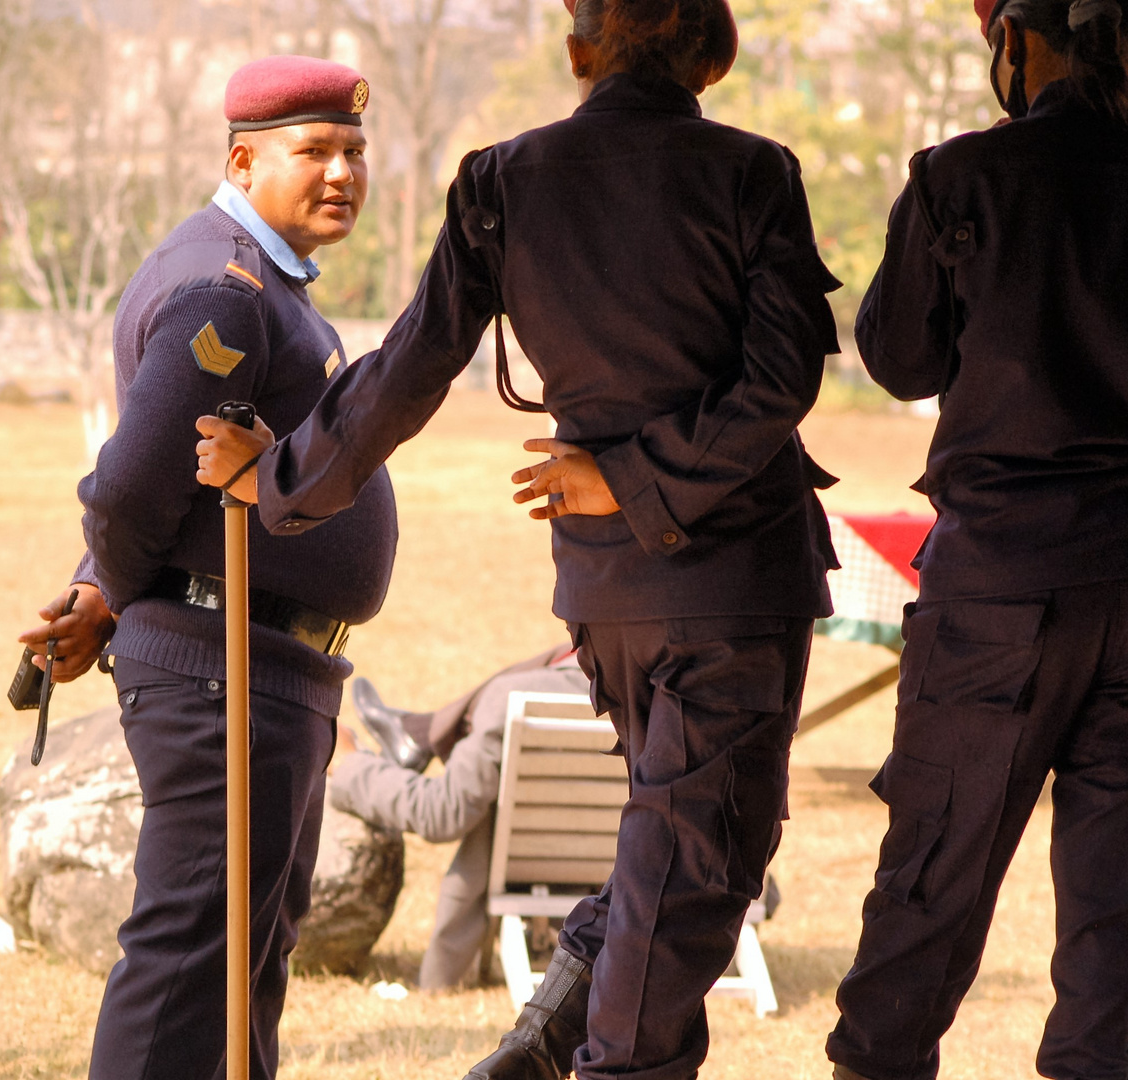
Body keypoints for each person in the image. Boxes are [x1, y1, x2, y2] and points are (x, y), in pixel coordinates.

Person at [196, 2, 844, 1077]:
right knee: (700, 861)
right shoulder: (752, 171)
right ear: (709, 54)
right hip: (733, 579)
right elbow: (780, 378)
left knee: (676, 844)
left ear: (579, 48)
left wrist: (281, 483)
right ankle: (591, 1062)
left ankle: (539, 1050)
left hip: (608, 591)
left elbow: (409, 363)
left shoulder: (501, 179)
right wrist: (637, 478)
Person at [24, 56, 398, 1080]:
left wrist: (106, 588)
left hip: (271, 666)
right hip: (219, 663)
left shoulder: (266, 281)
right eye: (312, 151)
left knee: (243, 962)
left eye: (353, 152)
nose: (341, 173)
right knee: (192, 958)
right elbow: (131, 487)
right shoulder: (222, 287)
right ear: (243, 157)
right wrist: (112, 590)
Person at [823, 1, 1128, 1076]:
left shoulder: (966, 178)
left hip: (1001, 578)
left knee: (930, 884)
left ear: (1019, 41)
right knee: (1114, 922)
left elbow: (899, 358)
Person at [334, 647, 587, 991]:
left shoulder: (516, 697)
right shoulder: (664, 694)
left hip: (526, 871)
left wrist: (350, 764)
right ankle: (415, 731)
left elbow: (443, 812)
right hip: (609, 898)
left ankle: (414, 734)